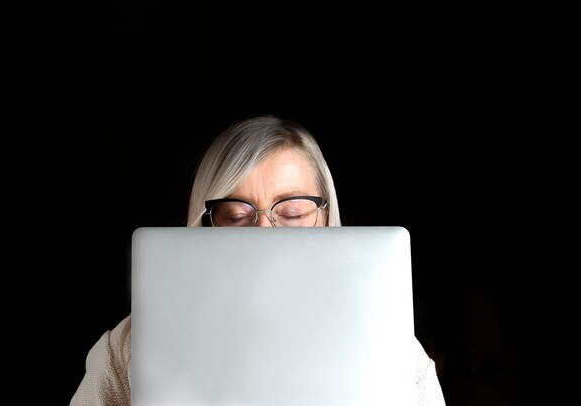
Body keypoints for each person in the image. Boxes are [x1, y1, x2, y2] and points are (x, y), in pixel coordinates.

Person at [70, 114, 446, 405]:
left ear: (327, 218)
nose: (264, 231)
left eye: (294, 212)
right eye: (236, 216)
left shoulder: (392, 350)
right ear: (206, 224)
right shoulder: (132, 345)